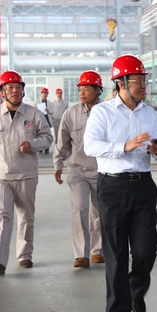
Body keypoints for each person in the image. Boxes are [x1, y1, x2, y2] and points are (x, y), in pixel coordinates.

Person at [84, 54, 157, 312]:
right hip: (113, 188)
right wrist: (124, 146)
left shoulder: (149, 113)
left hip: (143, 187)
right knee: (116, 253)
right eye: (137, 80)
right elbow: (90, 146)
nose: (143, 85)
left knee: (146, 250)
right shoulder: (102, 112)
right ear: (121, 83)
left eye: (144, 80)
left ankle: (135, 289)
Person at [0, 70, 53, 275]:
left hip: (26, 175)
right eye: (10, 87)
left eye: (18, 87)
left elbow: (47, 137)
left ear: (23, 91)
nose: (15, 91)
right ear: (2, 92)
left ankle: (25, 255)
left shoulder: (33, 114)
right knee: (1, 217)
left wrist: (33, 144)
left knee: (26, 217)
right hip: (1, 176)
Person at [53, 71, 104, 269]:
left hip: (102, 170)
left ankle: (97, 250)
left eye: (87, 89)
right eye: (80, 89)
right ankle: (81, 254)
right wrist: (58, 164)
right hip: (77, 170)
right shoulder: (70, 113)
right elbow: (62, 142)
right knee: (80, 209)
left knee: (100, 211)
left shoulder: (107, 112)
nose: (82, 93)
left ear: (98, 90)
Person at [35, 87, 53, 153]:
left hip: (47, 121)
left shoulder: (50, 103)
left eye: (46, 93)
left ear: (47, 94)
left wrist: (48, 111)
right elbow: (33, 111)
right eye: (43, 93)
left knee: (47, 135)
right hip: (39, 121)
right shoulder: (36, 102)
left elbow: (53, 111)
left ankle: (46, 149)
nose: (44, 94)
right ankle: (40, 148)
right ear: (41, 94)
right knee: (39, 135)